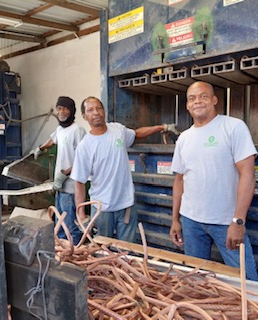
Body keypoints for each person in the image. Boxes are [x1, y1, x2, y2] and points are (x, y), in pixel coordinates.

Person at [169, 81, 258, 281]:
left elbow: (248, 175)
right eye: (192, 98)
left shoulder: (233, 127)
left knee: (246, 281)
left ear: (214, 100)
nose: (197, 101)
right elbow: (179, 181)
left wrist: (238, 221)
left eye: (203, 96)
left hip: (226, 222)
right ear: (187, 105)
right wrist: (175, 220)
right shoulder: (184, 138)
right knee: (195, 280)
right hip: (191, 222)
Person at [70, 96, 179, 243]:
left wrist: (162, 127)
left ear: (104, 111)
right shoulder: (85, 146)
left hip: (126, 205)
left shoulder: (117, 129)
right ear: (84, 116)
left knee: (127, 251)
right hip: (102, 208)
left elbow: (137, 134)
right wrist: (82, 215)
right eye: (90, 110)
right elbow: (79, 182)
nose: (96, 112)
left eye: (98, 108)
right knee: (102, 250)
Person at [31, 96, 86, 245]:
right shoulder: (60, 129)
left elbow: (82, 159)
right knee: (60, 224)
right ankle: (62, 252)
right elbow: (52, 140)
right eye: (59, 108)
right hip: (60, 186)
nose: (61, 112)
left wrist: (65, 174)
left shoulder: (78, 130)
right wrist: (40, 148)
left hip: (71, 187)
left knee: (70, 226)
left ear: (71, 111)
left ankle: (73, 256)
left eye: (65, 108)